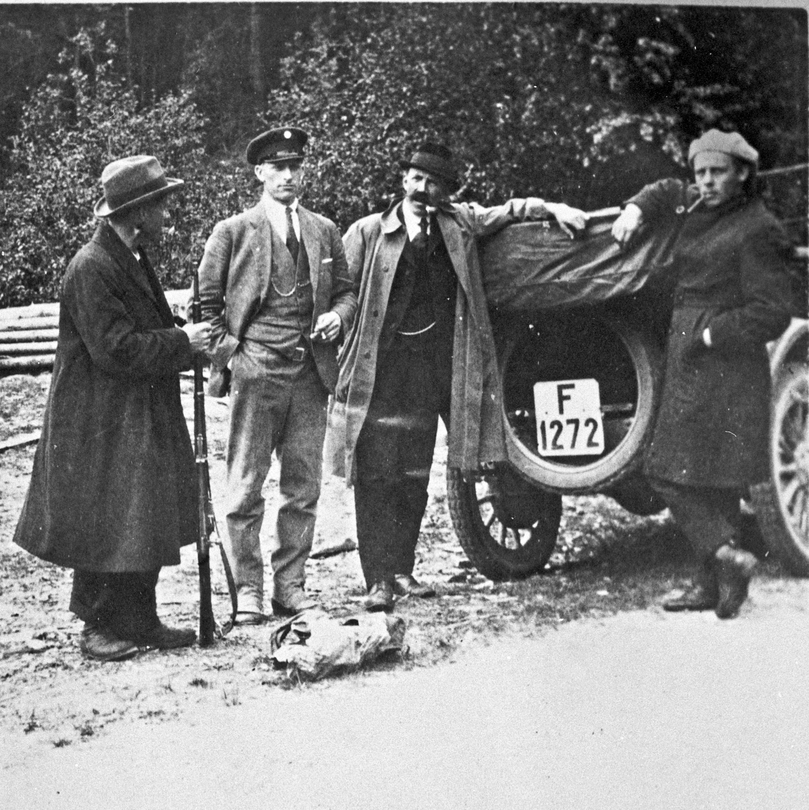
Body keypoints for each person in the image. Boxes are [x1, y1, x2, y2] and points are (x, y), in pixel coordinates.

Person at [332, 143, 587, 611]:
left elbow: (509, 212)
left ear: (446, 192)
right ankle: (377, 580)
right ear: (402, 182)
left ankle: (403, 570)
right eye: (413, 178)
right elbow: (342, 293)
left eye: (431, 183)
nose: (420, 190)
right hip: (383, 370)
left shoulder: (459, 223)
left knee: (414, 471)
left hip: (434, 366)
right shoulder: (367, 232)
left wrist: (553, 208)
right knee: (376, 474)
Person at [13, 155, 212, 661]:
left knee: (142, 514)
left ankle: (139, 617)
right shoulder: (91, 267)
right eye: (162, 205)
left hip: (135, 409)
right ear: (138, 213)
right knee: (105, 518)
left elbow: (139, 331)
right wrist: (182, 341)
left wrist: (175, 332)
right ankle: (98, 625)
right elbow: (116, 349)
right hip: (98, 417)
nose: (169, 214)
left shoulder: (133, 257)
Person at [612, 129, 797, 619]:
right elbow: (666, 191)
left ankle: (724, 558)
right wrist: (635, 208)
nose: (707, 182)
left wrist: (714, 335)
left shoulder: (758, 228)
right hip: (690, 352)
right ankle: (714, 584)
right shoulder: (693, 203)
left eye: (718, 173)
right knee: (703, 474)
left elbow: (773, 311)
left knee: (671, 470)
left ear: (742, 174)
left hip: (726, 362)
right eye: (701, 173)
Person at [197, 126, 357, 624]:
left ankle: (291, 588)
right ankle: (247, 591)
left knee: (303, 488)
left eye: (296, 166)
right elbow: (205, 305)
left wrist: (339, 316)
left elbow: (347, 293)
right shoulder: (233, 231)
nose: (288, 176)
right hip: (256, 372)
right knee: (244, 486)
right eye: (278, 167)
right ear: (259, 173)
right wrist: (235, 356)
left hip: (310, 375)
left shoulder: (324, 229)